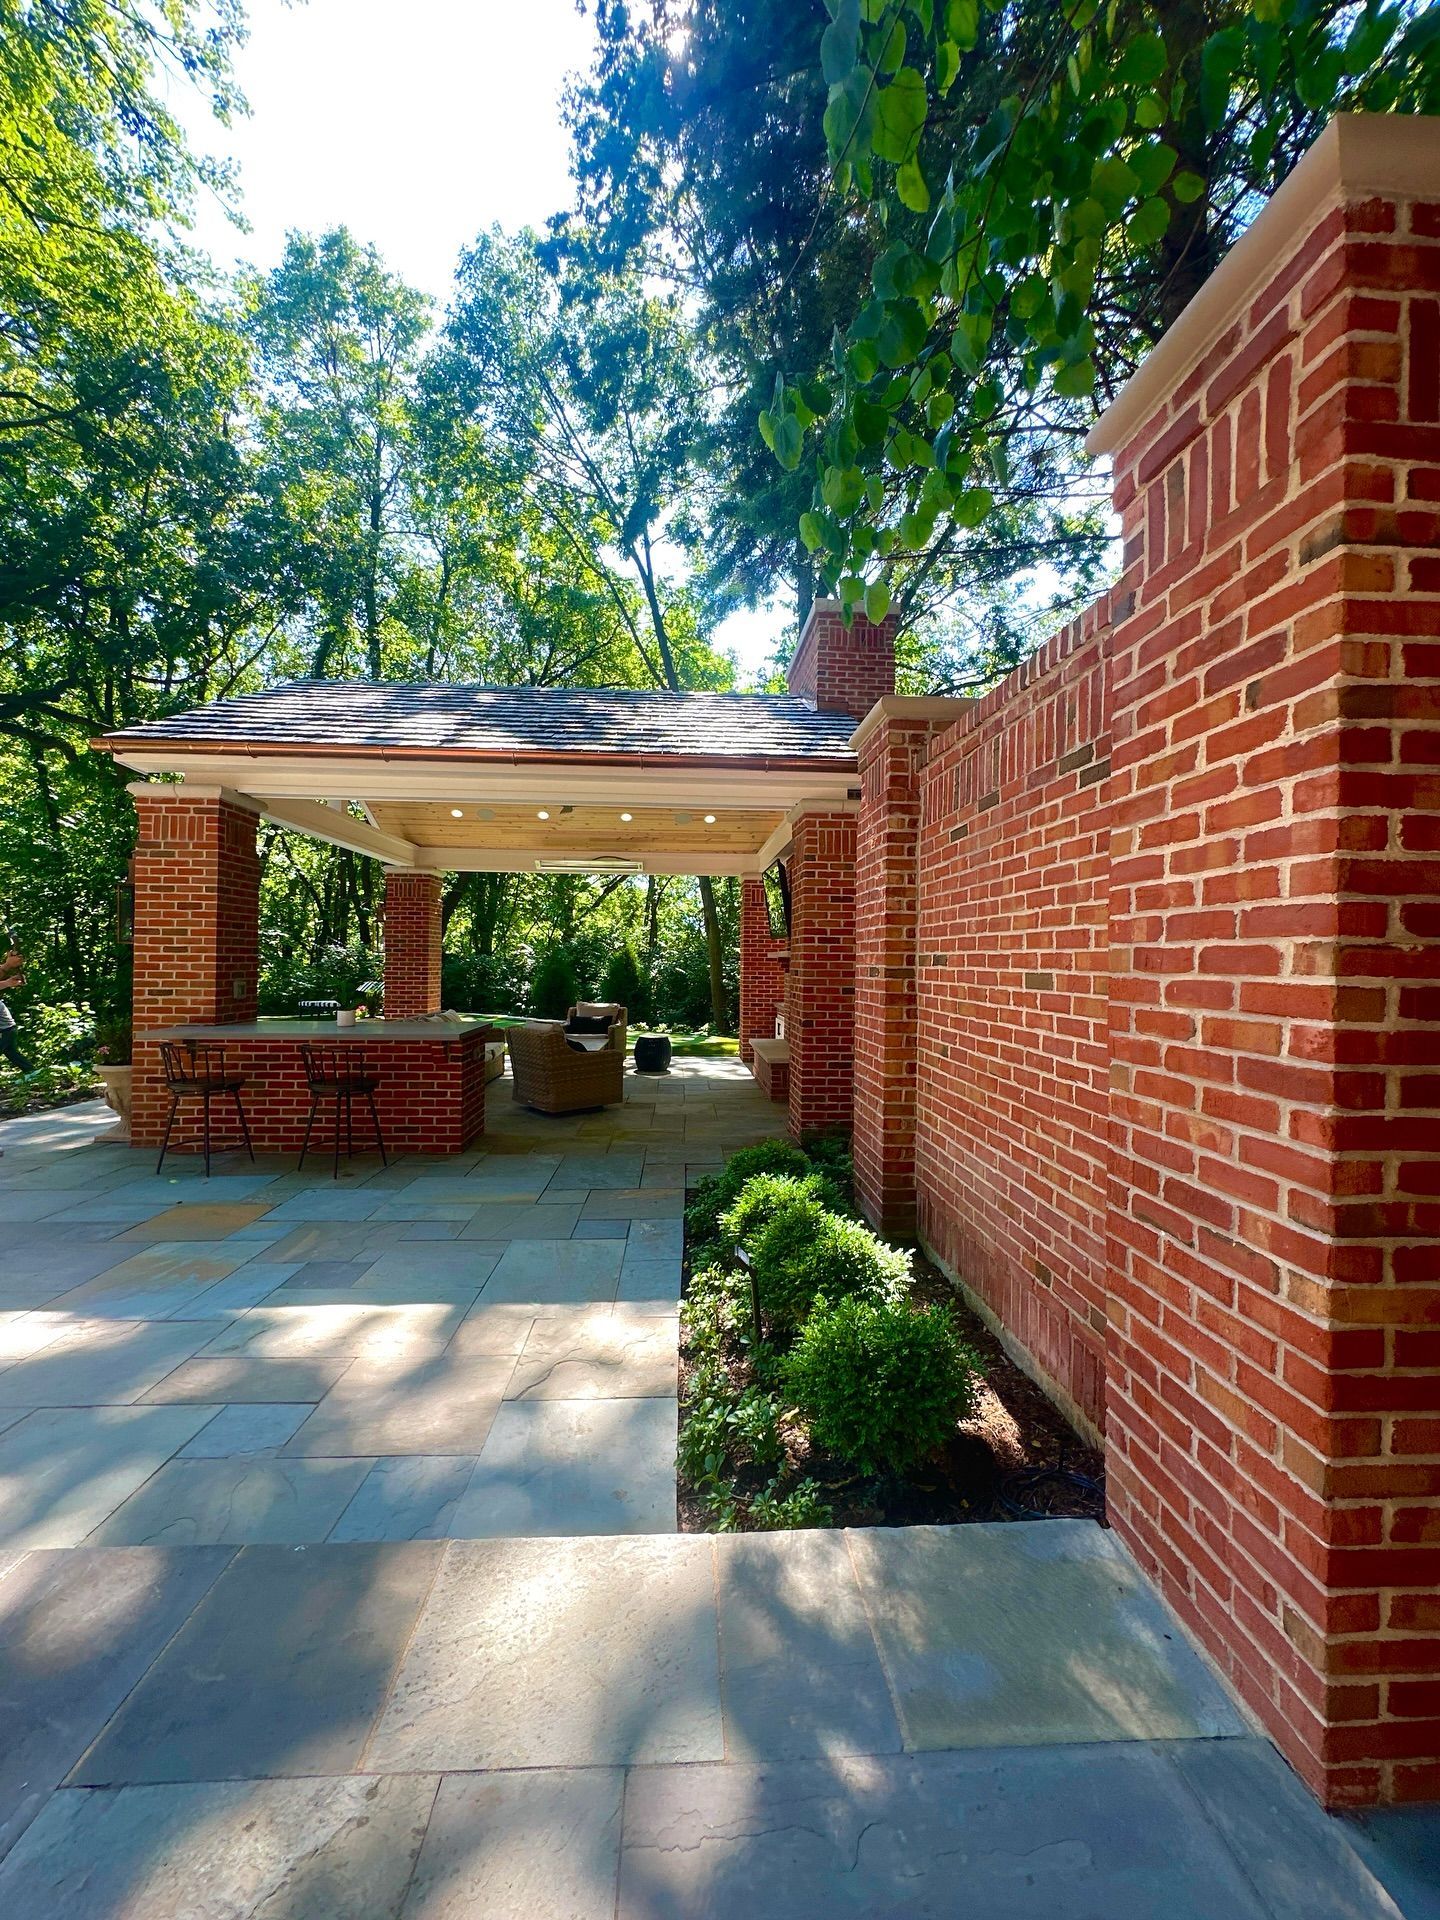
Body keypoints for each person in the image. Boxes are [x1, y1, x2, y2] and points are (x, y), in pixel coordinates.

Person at [0, 946, 30, 1073]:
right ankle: (31, 1071)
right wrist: (7, 967)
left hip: (6, 1029)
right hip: (6, 1029)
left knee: (9, 1050)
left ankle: (32, 1072)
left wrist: (7, 966)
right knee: (10, 1051)